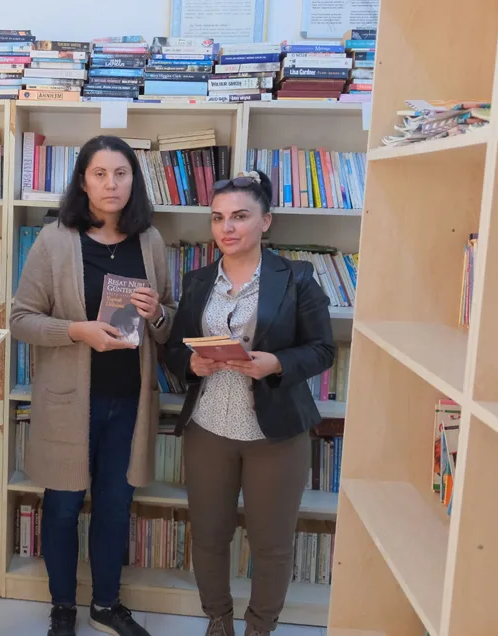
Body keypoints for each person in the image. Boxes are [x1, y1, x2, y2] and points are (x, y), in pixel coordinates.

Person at [10, 135, 176, 636]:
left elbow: (168, 322)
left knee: (115, 508)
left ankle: (106, 604)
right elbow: (20, 319)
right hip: (69, 403)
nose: (111, 184)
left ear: (133, 181)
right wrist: (75, 331)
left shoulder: (150, 241)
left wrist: (158, 313)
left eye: (121, 173)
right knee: (62, 507)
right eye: (100, 174)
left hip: (129, 403)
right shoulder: (55, 240)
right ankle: (63, 606)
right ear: (82, 182)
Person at [163, 170, 336, 636]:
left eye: (240, 216)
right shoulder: (198, 280)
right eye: (218, 218)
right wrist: (190, 363)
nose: (227, 228)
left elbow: (323, 349)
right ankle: (218, 620)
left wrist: (275, 363)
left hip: (274, 433)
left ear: (266, 221)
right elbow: (174, 349)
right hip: (208, 428)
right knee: (209, 535)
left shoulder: (296, 277)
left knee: (271, 543)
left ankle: (260, 627)